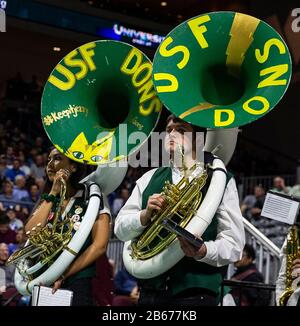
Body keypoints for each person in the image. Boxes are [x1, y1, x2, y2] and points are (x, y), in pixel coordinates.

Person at [114, 114, 245, 306]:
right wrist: (144, 216)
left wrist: (203, 251)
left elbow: (233, 245)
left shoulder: (220, 179)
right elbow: (120, 230)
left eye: (181, 130)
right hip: (150, 294)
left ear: (199, 140)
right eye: (168, 130)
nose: (171, 134)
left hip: (194, 296)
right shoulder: (148, 178)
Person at [25, 147, 111, 306]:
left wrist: (63, 274)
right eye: (48, 160)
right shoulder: (49, 200)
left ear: (73, 166)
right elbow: (31, 233)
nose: (50, 164)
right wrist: (54, 192)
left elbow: (100, 246)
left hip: (76, 281)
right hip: (42, 280)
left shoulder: (92, 199)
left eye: (57, 158)